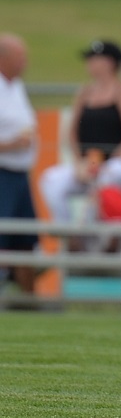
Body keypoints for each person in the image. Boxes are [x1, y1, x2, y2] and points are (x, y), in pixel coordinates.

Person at [38, 41, 121, 229]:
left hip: (119, 163)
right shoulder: (85, 93)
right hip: (89, 163)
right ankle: (67, 234)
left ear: (109, 63)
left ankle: (92, 238)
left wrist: (109, 161)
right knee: (51, 179)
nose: (89, 63)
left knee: (105, 180)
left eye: (94, 59)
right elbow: (72, 132)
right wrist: (80, 162)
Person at [0, 34, 40, 293]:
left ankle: (29, 301)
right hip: (2, 173)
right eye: (20, 57)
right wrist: (12, 144)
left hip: (20, 173)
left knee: (25, 239)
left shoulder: (16, 86)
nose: (25, 62)